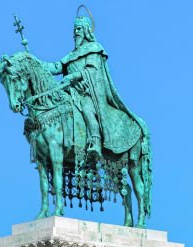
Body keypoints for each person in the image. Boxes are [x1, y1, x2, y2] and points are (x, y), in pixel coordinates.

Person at [43, 11, 149, 165]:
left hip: (88, 93)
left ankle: (95, 143)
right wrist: (34, 63)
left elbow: (92, 70)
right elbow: (54, 67)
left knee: (87, 109)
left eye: (78, 29)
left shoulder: (94, 48)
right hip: (70, 92)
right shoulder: (71, 55)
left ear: (86, 30)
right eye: (74, 30)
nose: (75, 33)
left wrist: (73, 77)